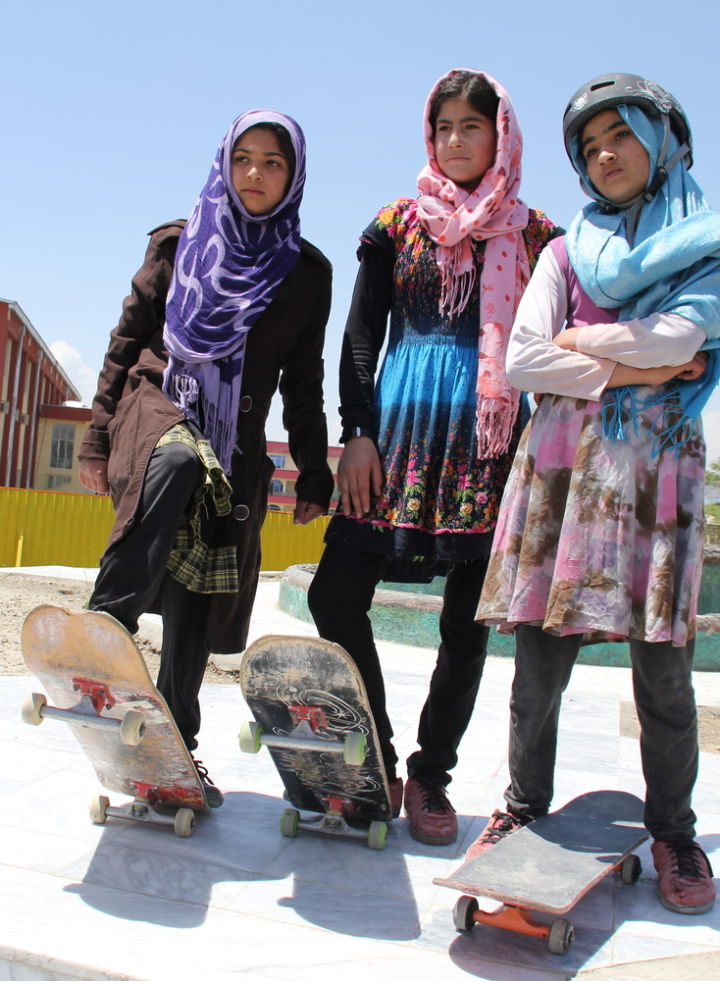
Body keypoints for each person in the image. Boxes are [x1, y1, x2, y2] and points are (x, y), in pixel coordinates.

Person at [472, 73, 719, 914]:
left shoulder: (710, 245)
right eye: (590, 144)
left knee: (665, 675)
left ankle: (674, 831)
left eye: (622, 134)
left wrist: (591, 347)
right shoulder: (564, 251)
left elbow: (687, 333)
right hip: (565, 476)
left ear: (662, 140)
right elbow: (525, 359)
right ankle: (520, 809)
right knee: (538, 666)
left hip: (655, 479)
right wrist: (636, 363)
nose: (605, 153)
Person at [307, 69, 560, 845]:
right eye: (443, 125)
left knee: (468, 620)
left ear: (501, 136)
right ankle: (373, 751)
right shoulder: (397, 223)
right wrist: (357, 431)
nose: (455, 140)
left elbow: (548, 340)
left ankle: (429, 773)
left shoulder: (534, 235)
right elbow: (358, 338)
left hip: (488, 446)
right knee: (333, 593)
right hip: (394, 434)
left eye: (471, 126)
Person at [78, 110, 333, 807]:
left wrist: (314, 469)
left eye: (272, 162)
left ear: (293, 175)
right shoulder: (177, 242)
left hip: (238, 445)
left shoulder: (306, 275)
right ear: (225, 162)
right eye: (243, 158)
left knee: (194, 596)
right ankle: (107, 622)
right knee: (183, 460)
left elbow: (303, 381)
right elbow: (126, 341)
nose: (254, 173)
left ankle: (175, 750)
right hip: (156, 407)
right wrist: (98, 436)